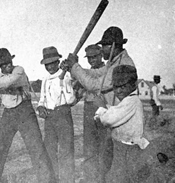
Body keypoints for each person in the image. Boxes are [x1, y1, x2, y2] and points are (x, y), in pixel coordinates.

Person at [61, 26, 136, 183]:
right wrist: (73, 67)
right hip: (109, 114)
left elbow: (95, 85)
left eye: (105, 46)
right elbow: (95, 74)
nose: (102, 49)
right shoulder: (113, 62)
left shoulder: (123, 64)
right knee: (100, 154)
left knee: (111, 159)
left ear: (114, 45)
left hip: (120, 119)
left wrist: (75, 67)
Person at [0, 48, 56, 183]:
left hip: (25, 112)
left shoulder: (19, 71)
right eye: (3, 65)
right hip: (8, 114)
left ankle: (47, 180)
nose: (7, 66)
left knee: (36, 148)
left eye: (8, 63)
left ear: (11, 61)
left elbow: (7, 82)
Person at [93, 65, 149, 183]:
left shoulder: (132, 101)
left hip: (129, 148)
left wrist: (101, 107)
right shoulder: (127, 101)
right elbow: (114, 111)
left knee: (122, 177)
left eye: (123, 86)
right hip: (122, 146)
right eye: (115, 87)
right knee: (118, 176)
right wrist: (105, 108)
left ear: (134, 85)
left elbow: (109, 119)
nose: (118, 91)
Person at [36, 46, 76, 183]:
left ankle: (67, 180)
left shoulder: (67, 75)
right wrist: (40, 107)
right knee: (49, 150)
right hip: (49, 117)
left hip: (63, 114)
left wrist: (67, 73)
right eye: (47, 64)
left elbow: (72, 97)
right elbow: (42, 99)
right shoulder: (45, 79)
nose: (50, 67)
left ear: (58, 61)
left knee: (66, 151)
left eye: (53, 63)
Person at [80, 44, 106, 183]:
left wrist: (75, 68)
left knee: (103, 145)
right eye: (89, 58)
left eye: (94, 57)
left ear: (101, 55)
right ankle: (90, 178)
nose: (91, 60)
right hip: (88, 107)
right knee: (89, 145)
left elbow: (91, 80)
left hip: (102, 107)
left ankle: (102, 178)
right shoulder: (88, 72)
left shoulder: (105, 69)